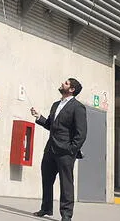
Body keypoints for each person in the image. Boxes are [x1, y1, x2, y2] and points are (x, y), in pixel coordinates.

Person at [30, 78, 87, 221]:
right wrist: (39, 117)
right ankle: (46, 208)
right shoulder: (56, 105)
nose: (63, 83)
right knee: (47, 180)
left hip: (65, 152)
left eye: (66, 83)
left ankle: (66, 215)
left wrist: (71, 149)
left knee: (66, 184)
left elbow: (81, 133)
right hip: (50, 149)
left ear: (72, 89)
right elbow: (51, 125)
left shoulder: (78, 107)